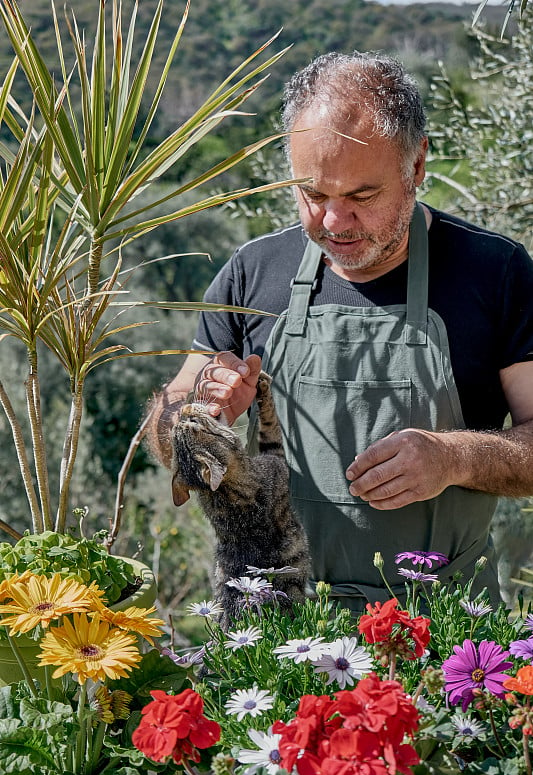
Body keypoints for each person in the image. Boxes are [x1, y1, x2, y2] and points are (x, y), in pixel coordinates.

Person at [146, 51, 533, 613]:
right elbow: (173, 411)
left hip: (448, 636)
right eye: (313, 194)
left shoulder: (495, 272)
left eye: (361, 197)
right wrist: (195, 420)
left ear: (417, 167)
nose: (332, 221)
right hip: (280, 634)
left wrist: (454, 459)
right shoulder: (253, 272)